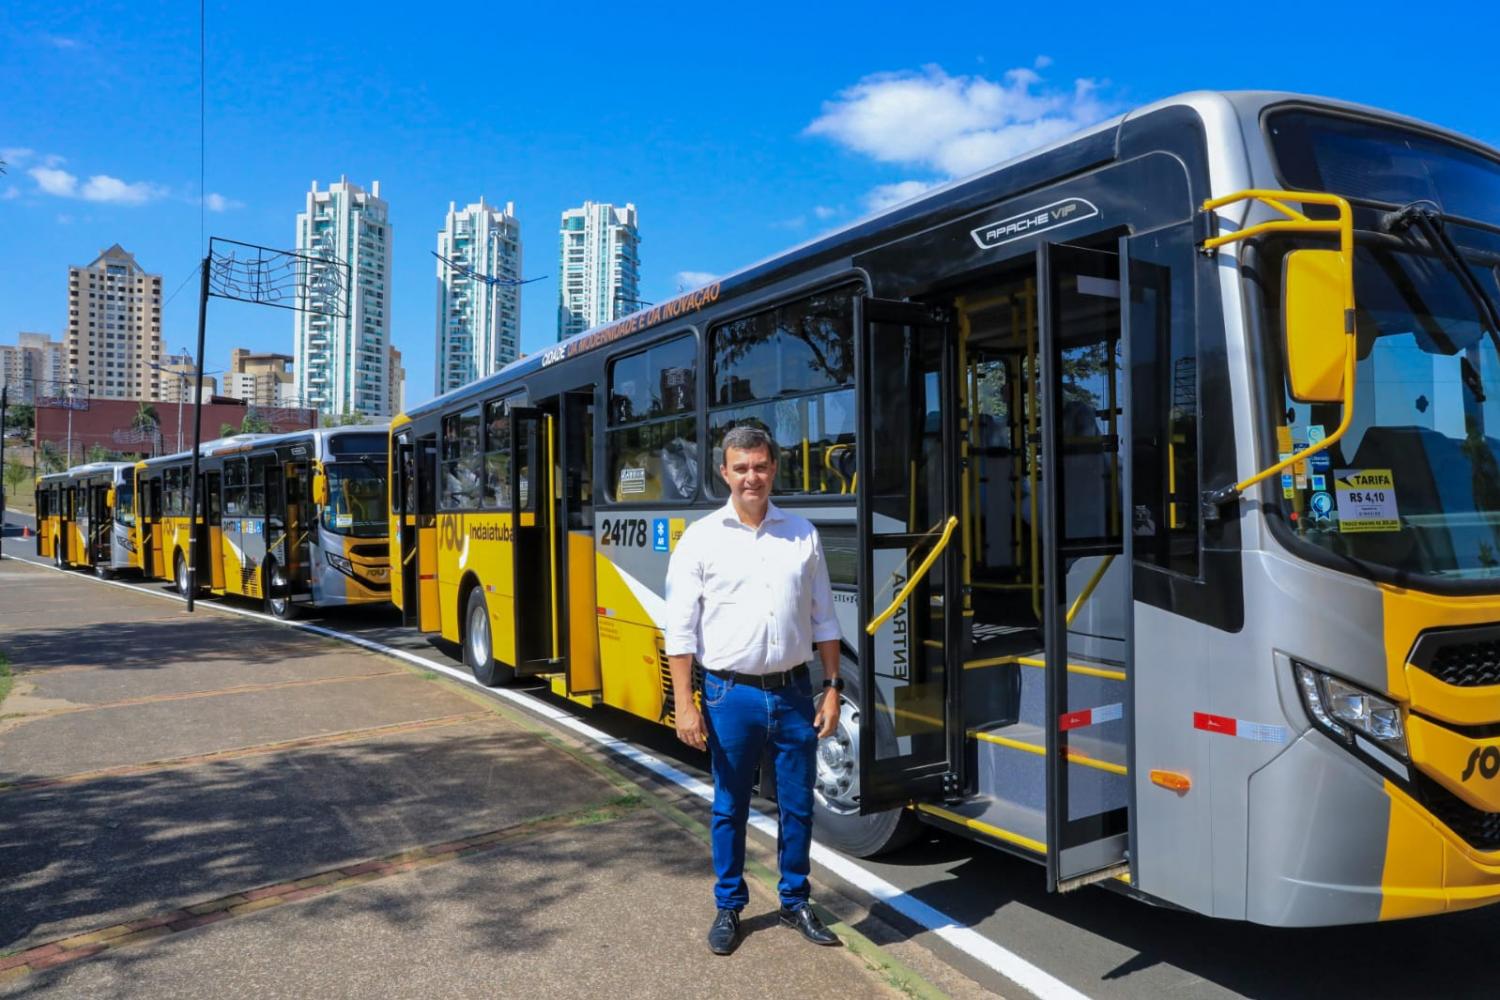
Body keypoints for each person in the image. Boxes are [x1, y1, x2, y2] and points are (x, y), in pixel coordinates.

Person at [664, 425, 844, 956]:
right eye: (741, 468)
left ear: (773, 469)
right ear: (724, 472)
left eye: (760, 466)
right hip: (729, 696)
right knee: (730, 806)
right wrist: (684, 704)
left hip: (793, 694)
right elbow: (680, 631)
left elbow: (826, 621)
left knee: (798, 805)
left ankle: (794, 900)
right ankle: (729, 905)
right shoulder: (700, 538)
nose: (752, 477)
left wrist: (831, 689)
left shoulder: (802, 534)